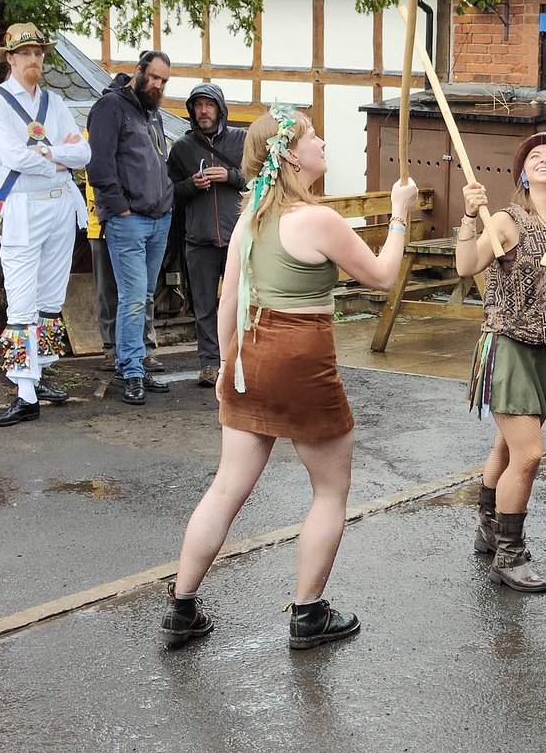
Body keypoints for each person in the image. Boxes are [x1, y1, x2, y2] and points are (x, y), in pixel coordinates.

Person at [159, 104, 418, 650]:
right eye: (311, 135)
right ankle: (308, 614)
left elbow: (228, 299)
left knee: (228, 487)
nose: (321, 141)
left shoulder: (250, 214)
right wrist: (399, 213)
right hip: (301, 357)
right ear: (291, 156)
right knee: (329, 491)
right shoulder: (318, 220)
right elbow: (382, 275)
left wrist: (229, 365)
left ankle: (181, 608)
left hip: (251, 356)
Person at [454, 132, 546, 593]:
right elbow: (466, 265)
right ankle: (510, 554)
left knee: (506, 449)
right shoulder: (509, 220)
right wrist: (470, 217)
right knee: (529, 454)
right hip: (508, 345)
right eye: (536, 156)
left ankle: (490, 531)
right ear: (523, 173)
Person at [0, 23, 91, 427]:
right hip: (22, 205)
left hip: (60, 205)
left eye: (39, 53)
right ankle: (25, 393)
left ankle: (38, 374)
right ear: (10, 58)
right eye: (26, 53)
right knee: (22, 300)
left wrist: (49, 152)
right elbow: (13, 156)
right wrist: (58, 156)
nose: (34, 60)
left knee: (50, 298)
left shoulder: (56, 103)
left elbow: (85, 153)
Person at [86, 50, 174, 405]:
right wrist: (118, 209)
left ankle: (131, 362)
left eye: (164, 80)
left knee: (144, 296)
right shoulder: (110, 107)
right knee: (133, 298)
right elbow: (98, 164)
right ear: (138, 72)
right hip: (129, 220)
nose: (158, 85)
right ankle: (133, 371)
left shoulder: (151, 112)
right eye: (154, 77)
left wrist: (167, 201)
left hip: (158, 218)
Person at [167, 84, 247, 387]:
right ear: (191, 110)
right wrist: (190, 184)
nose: (203, 111)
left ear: (220, 108)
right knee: (204, 306)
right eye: (198, 105)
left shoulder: (241, 140)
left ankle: (239, 358)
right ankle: (210, 364)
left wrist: (231, 176)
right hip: (198, 240)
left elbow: (258, 179)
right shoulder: (182, 148)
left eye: (209, 105)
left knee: (240, 301)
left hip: (236, 237)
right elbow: (169, 192)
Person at [83, 176, 160, 371]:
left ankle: (146, 347)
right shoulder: (89, 143)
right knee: (106, 291)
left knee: (142, 290)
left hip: (136, 221)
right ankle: (111, 348)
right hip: (99, 225)